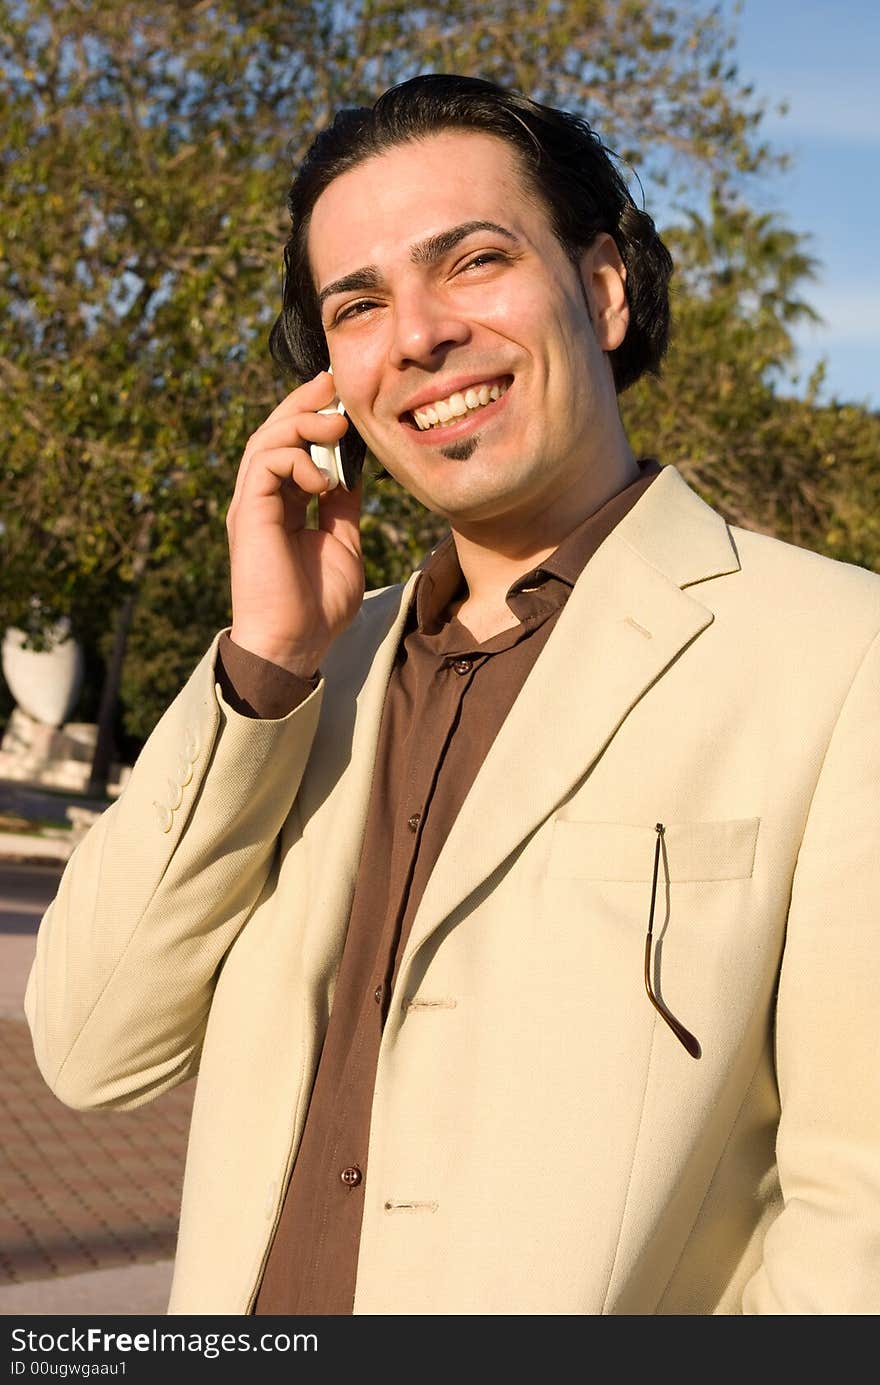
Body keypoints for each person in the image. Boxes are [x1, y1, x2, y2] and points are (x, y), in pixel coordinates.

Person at [26, 74, 880, 1316]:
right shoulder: (310, 674)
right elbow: (92, 1045)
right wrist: (264, 660)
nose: (417, 334)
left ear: (600, 289)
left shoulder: (838, 653)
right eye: (358, 304)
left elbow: (856, 1221)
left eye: (472, 261)